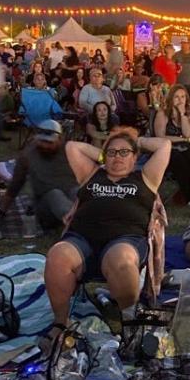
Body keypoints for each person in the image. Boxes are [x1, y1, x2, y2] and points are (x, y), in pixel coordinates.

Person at [44, 133, 171, 339]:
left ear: (135, 157)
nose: (117, 157)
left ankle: (129, 319)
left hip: (125, 238)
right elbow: (73, 146)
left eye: (123, 153)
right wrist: (105, 155)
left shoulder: (145, 177)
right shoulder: (92, 174)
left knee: (121, 259)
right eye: (111, 153)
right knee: (57, 256)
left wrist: (135, 142)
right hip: (81, 239)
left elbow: (164, 145)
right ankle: (60, 322)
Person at [1, 120, 77, 229]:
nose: (45, 146)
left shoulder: (70, 151)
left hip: (71, 197)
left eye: (49, 142)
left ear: (60, 140)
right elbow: (15, 185)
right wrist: (1, 212)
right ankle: (79, 225)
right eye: (42, 141)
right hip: (46, 206)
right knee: (55, 194)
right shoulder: (27, 156)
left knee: (78, 192)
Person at [154, 84, 190, 202]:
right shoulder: (163, 114)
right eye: (176, 97)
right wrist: (183, 139)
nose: (180, 100)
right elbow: (161, 137)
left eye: (183, 97)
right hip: (168, 147)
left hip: (187, 146)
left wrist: (182, 115)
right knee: (179, 160)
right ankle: (189, 195)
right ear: (171, 99)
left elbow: (189, 134)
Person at [173, 40, 190, 104]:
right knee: (180, 100)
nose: (183, 45)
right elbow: (172, 66)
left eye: (185, 43)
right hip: (180, 81)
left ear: (189, 44)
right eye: (182, 44)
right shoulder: (176, 55)